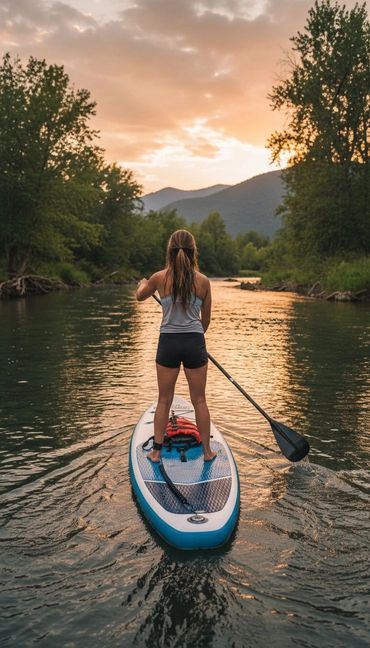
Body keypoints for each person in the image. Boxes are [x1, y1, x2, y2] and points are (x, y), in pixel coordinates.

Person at [136, 229, 217, 464]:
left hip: (168, 343)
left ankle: (156, 453)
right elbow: (207, 320)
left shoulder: (159, 278)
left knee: (164, 400)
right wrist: (195, 339)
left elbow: (140, 296)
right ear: (193, 252)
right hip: (194, 342)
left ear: (169, 251)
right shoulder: (203, 281)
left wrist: (142, 284)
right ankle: (208, 452)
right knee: (199, 400)